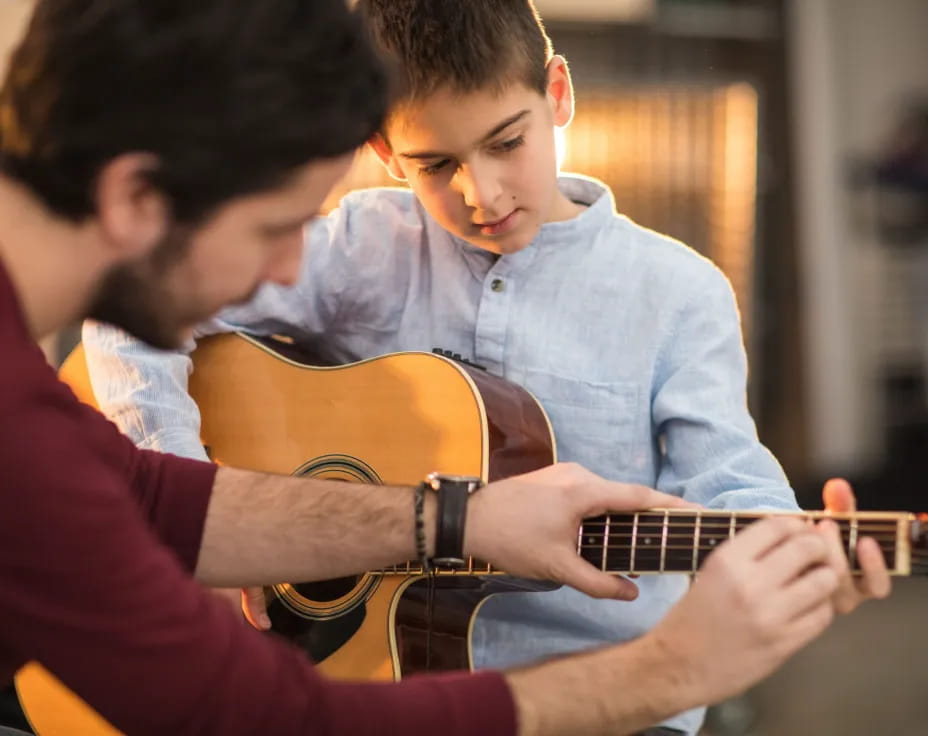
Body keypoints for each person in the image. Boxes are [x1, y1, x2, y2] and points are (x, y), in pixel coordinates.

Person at [0, 1, 888, 735]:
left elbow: (156, 502)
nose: (282, 276)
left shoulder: (675, 288)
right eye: (276, 227)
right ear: (134, 198)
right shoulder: (30, 443)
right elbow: (262, 710)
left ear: (557, 93)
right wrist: (668, 668)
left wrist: (458, 522)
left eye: (506, 143)